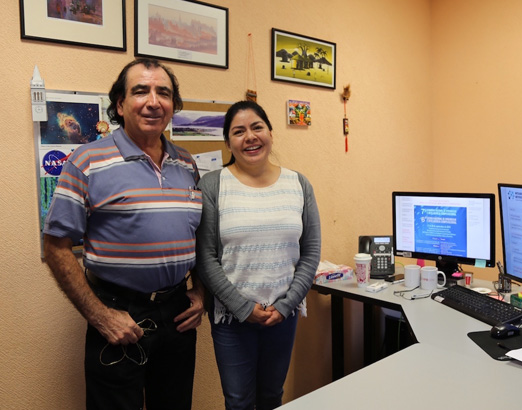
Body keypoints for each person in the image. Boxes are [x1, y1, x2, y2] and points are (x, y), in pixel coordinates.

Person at [43, 58, 205, 410]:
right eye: (141, 91)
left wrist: (202, 293)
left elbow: (199, 237)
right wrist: (100, 316)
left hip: (177, 313)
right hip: (117, 312)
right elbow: (55, 246)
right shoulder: (86, 161)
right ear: (120, 104)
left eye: (164, 93)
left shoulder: (186, 164)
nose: (153, 102)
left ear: (173, 105)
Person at [196, 100, 321, 409]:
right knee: (238, 401)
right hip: (231, 318)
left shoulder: (298, 184)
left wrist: (286, 305)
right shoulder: (212, 185)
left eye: (257, 127)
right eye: (238, 131)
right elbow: (206, 257)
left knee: (272, 396)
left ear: (271, 134)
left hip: (283, 314)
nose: (250, 137)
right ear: (228, 143)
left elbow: (310, 252)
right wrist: (242, 307)